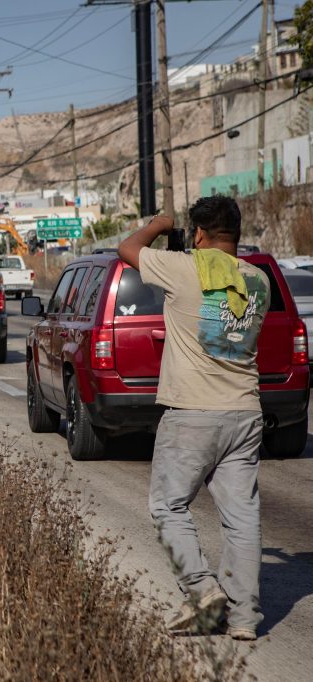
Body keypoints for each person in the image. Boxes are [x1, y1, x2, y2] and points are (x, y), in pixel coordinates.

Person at [117, 196, 269, 642]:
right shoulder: (259, 280)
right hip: (244, 411)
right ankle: (244, 619)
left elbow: (127, 250)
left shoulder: (187, 268)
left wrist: (159, 224)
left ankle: (202, 591)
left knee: (168, 505)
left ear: (198, 234)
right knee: (242, 517)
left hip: (192, 413)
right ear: (235, 235)